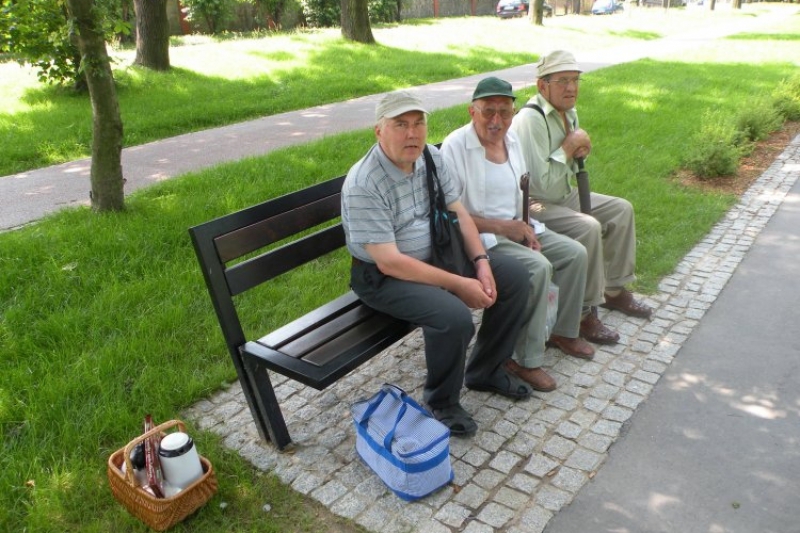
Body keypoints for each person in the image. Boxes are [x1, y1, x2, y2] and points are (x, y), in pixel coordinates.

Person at [342, 90, 532, 437]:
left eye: (418, 124)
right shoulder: (365, 182)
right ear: (379, 131)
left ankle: (485, 370)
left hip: (438, 254)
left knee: (516, 277)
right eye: (400, 125)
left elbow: (458, 213)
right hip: (384, 277)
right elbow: (389, 262)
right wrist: (458, 283)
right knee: (453, 317)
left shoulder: (430, 157)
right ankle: (442, 401)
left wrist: (482, 262)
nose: (412, 134)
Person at [441, 76, 595, 394]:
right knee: (538, 268)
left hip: (514, 228)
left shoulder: (512, 142)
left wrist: (526, 228)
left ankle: (563, 331)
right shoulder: (456, 146)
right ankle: (524, 359)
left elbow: (520, 195)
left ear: (512, 113)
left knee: (573, 253)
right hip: (478, 239)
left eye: (505, 112)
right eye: (488, 111)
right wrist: (504, 228)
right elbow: (451, 214)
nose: (497, 121)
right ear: (472, 111)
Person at [511, 50, 652, 344]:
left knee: (620, 210)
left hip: (561, 194)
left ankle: (614, 290)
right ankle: (584, 313)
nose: (571, 87)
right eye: (562, 80)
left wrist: (578, 152)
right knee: (587, 226)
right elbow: (540, 183)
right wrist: (569, 148)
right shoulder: (530, 119)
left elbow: (567, 167)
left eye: (575, 80)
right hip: (533, 205)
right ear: (542, 85)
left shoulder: (568, 112)